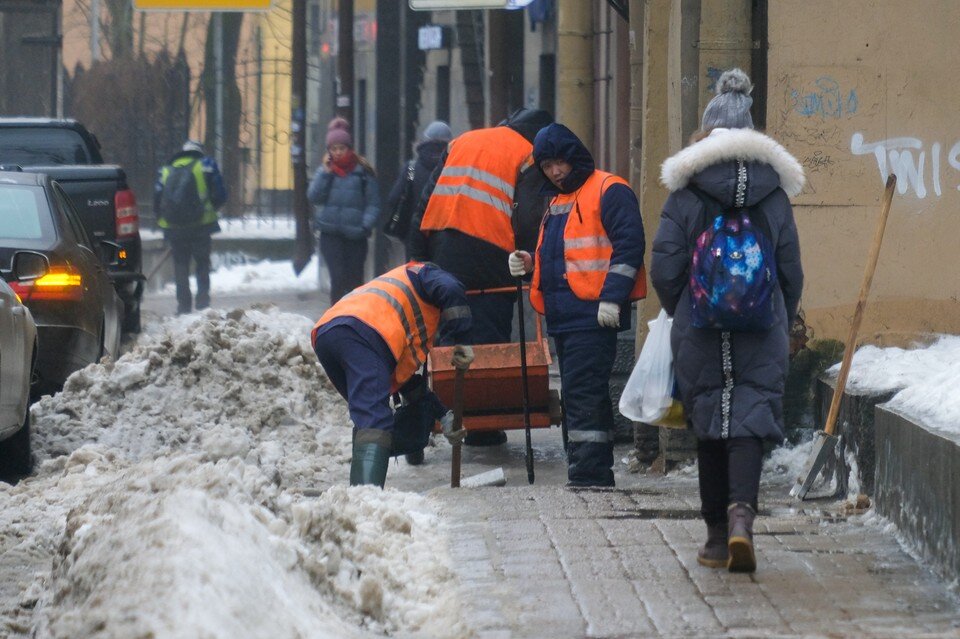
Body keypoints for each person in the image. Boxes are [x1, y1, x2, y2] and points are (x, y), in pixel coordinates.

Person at [651, 68, 805, 573]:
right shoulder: (776, 195)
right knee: (749, 420)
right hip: (762, 329)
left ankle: (717, 539)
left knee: (708, 422)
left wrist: (686, 309)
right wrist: (778, 313)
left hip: (699, 328)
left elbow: (665, 268)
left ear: (705, 134)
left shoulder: (685, 194)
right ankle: (743, 517)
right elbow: (790, 271)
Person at [509, 123, 647, 487]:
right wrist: (529, 264)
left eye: (560, 163)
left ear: (574, 157)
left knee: (584, 392)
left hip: (593, 315)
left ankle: (590, 473)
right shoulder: (557, 201)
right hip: (564, 317)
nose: (555, 172)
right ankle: (584, 466)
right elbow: (565, 259)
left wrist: (613, 298)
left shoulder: (608, 189)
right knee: (576, 393)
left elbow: (629, 247)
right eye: (547, 166)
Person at [408, 107, 553, 446]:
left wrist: (418, 255)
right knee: (488, 334)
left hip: (443, 248)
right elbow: (530, 216)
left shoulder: (462, 141)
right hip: (492, 253)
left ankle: (451, 409)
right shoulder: (529, 153)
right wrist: (532, 258)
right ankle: (483, 425)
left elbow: (426, 199)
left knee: (452, 328)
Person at [311, 261, 475, 487]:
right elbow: (451, 287)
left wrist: (444, 415)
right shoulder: (423, 273)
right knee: (374, 421)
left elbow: (405, 383)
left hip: (327, 335)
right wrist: (463, 341)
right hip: (364, 334)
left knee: (367, 417)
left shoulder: (393, 298)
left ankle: (360, 492)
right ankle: (365, 503)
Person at [308, 117, 381, 304]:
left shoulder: (363, 171)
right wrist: (325, 173)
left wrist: (365, 225)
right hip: (330, 234)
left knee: (355, 281)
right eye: (334, 149)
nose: (338, 152)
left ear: (349, 148)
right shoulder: (325, 171)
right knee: (338, 278)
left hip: (356, 236)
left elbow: (373, 203)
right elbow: (314, 196)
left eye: (342, 148)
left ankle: (355, 319)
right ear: (329, 151)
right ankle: (335, 319)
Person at [154, 140, 227, 315]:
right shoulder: (206, 165)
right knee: (202, 263)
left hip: (175, 227)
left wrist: (165, 220)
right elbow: (220, 194)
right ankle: (203, 303)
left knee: (181, 264)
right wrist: (209, 209)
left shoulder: (166, 170)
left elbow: (157, 199)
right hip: (201, 226)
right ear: (199, 152)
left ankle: (183, 306)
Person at [383, 120, 453, 258]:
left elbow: (394, 198)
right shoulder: (453, 167)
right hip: (444, 234)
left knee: (415, 273)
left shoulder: (412, 168)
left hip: (414, 233)